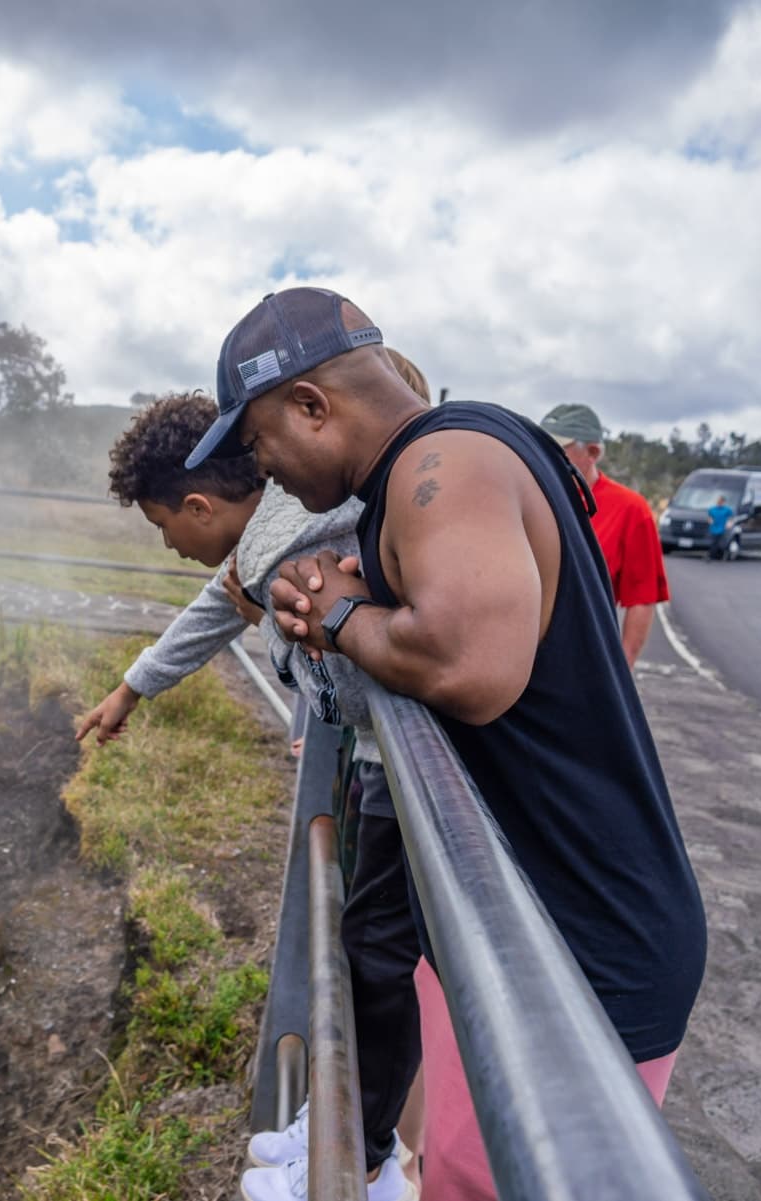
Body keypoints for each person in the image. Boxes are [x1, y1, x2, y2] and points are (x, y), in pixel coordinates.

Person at [185, 286, 707, 1201]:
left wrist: (342, 613)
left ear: (313, 406)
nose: (263, 469)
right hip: (530, 920)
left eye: (260, 441)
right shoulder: (421, 474)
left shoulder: (447, 459)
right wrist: (360, 608)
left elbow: (469, 664)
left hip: (586, 934)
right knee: (458, 1171)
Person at [75, 385, 425, 1201]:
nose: (169, 548)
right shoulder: (271, 530)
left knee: (376, 955)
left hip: (403, 771)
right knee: (369, 951)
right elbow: (217, 606)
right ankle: (353, 1135)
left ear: (199, 504)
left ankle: (367, 1159)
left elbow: (342, 690)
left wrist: (267, 625)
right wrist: (132, 689)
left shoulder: (276, 551)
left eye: (166, 529)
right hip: (386, 767)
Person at [537, 403, 669, 665]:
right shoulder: (532, 496)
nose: (544, 456)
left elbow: (641, 599)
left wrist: (621, 669)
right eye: (540, 446)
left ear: (593, 452)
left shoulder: (630, 509)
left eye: (557, 449)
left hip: (582, 660)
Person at [706, 492, 735, 560]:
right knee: (714, 543)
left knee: (722, 544)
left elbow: (731, 518)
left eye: (721, 501)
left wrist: (729, 523)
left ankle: (722, 555)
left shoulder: (727, 510)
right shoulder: (712, 509)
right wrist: (710, 521)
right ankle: (712, 556)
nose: (719, 502)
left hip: (723, 529)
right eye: (718, 500)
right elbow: (709, 517)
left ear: (723, 502)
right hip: (714, 529)